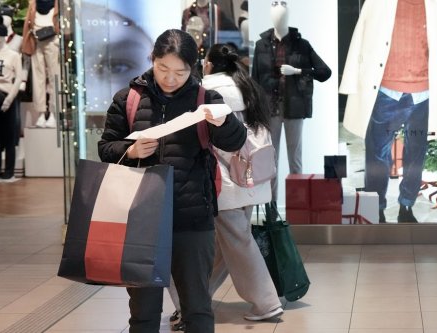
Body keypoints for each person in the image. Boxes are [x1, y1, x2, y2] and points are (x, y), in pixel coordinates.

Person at [98, 29, 246, 333]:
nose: (169, 78)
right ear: (152, 59)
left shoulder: (207, 99)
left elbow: (235, 141)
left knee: (197, 308)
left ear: (193, 68)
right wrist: (131, 149)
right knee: (143, 311)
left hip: (192, 218)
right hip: (141, 219)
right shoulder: (128, 99)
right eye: (163, 68)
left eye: (180, 72)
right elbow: (105, 148)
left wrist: (224, 122)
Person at [169, 44, 283, 331]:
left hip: (224, 182)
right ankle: (192, 301)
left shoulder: (204, 90)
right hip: (251, 178)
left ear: (207, 64)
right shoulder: (247, 85)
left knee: (237, 243)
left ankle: (266, 301)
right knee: (225, 245)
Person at [339, 0, 437, 223]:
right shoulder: (378, 3)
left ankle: (406, 206)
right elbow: (359, 38)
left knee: (416, 155)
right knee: (377, 154)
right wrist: (350, 83)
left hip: (423, 96)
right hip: (386, 94)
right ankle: (376, 206)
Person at [251, 0, 332, 217]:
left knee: (295, 160)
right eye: (276, 15)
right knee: (272, 160)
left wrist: (297, 70)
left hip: (294, 108)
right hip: (270, 110)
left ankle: (299, 209)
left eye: (282, 15)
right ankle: (271, 210)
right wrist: (255, 111)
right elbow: (255, 80)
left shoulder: (301, 44)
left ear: (288, 17)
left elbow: (325, 72)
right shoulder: (262, 45)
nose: (279, 19)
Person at [0, 15, 22, 182]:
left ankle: (9, 170)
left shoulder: (14, 55)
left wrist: (9, 98)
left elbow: (19, 79)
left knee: (9, 135)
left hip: (6, 97)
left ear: (4, 36)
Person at [21, 0, 60, 128]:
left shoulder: (57, 3)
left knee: (54, 78)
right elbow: (28, 23)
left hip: (53, 41)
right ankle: (41, 113)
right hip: (36, 42)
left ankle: (54, 113)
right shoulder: (33, 3)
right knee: (38, 79)